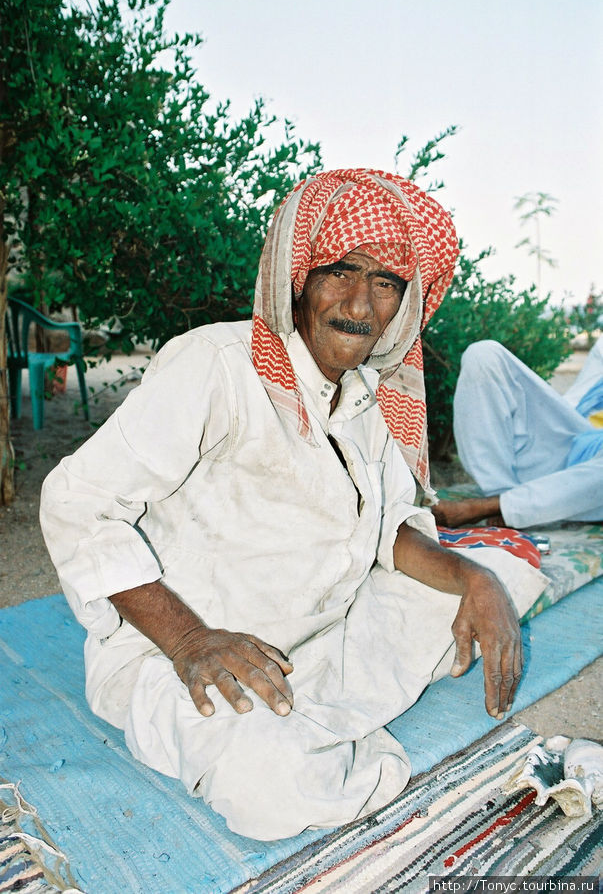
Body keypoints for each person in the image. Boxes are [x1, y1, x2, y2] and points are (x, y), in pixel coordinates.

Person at [40, 169, 546, 840]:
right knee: (269, 792)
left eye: (385, 283)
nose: (360, 303)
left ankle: (321, 724)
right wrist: (189, 640)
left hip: (321, 633)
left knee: (504, 580)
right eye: (340, 271)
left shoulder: (367, 397)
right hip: (191, 653)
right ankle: (321, 744)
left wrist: (473, 578)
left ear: (404, 303)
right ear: (299, 278)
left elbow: (388, 531)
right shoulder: (217, 364)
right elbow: (77, 501)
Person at [432, 338, 603, 530]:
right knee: (484, 354)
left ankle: (498, 507)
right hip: (569, 443)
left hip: (597, 475)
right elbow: (572, 405)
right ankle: (501, 495)